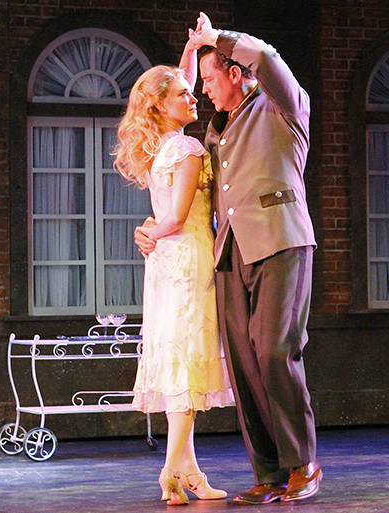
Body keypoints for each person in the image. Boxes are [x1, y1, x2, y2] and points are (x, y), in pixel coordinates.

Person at [136, 12, 321, 505]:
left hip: (281, 240)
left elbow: (265, 57)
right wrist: (154, 225)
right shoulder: (215, 129)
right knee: (244, 362)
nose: (206, 92)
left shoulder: (282, 106)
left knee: (275, 349)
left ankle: (304, 463)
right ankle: (269, 472)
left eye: (213, 79)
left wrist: (214, 38)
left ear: (236, 73)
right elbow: (178, 99)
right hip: (229, 250)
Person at [115, 59, 234, 505]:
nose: (194, 97)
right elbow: (178, 216)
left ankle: (192, 473)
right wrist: (151, 229)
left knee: (176, 362)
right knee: (185, 361)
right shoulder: (186, 149)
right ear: (161, 106)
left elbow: (165, 217)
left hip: (166, 261)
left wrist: (191, 47)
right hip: (187, 259)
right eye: (183, 94)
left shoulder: (158, 149)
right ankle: (169, 471)